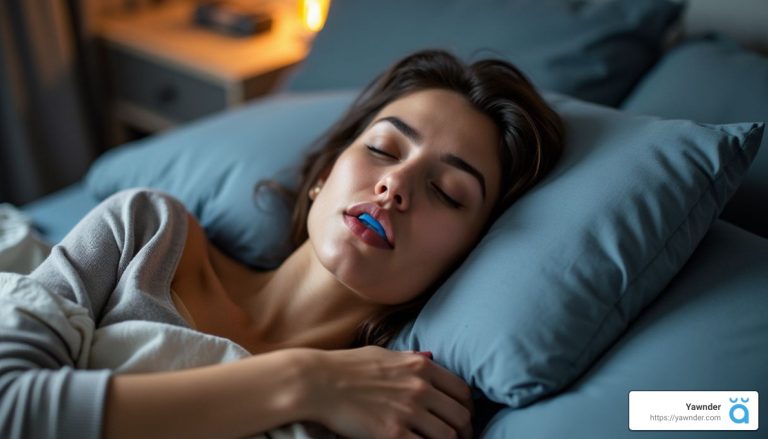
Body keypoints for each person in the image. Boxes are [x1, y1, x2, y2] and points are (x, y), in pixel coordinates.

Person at [0, 49, 563, 439]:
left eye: (446, 191)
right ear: (323, 174)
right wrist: (304, 382)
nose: (396, 186)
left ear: (469, 258)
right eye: (386, 150)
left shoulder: (396, 404)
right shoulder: (146, 233)